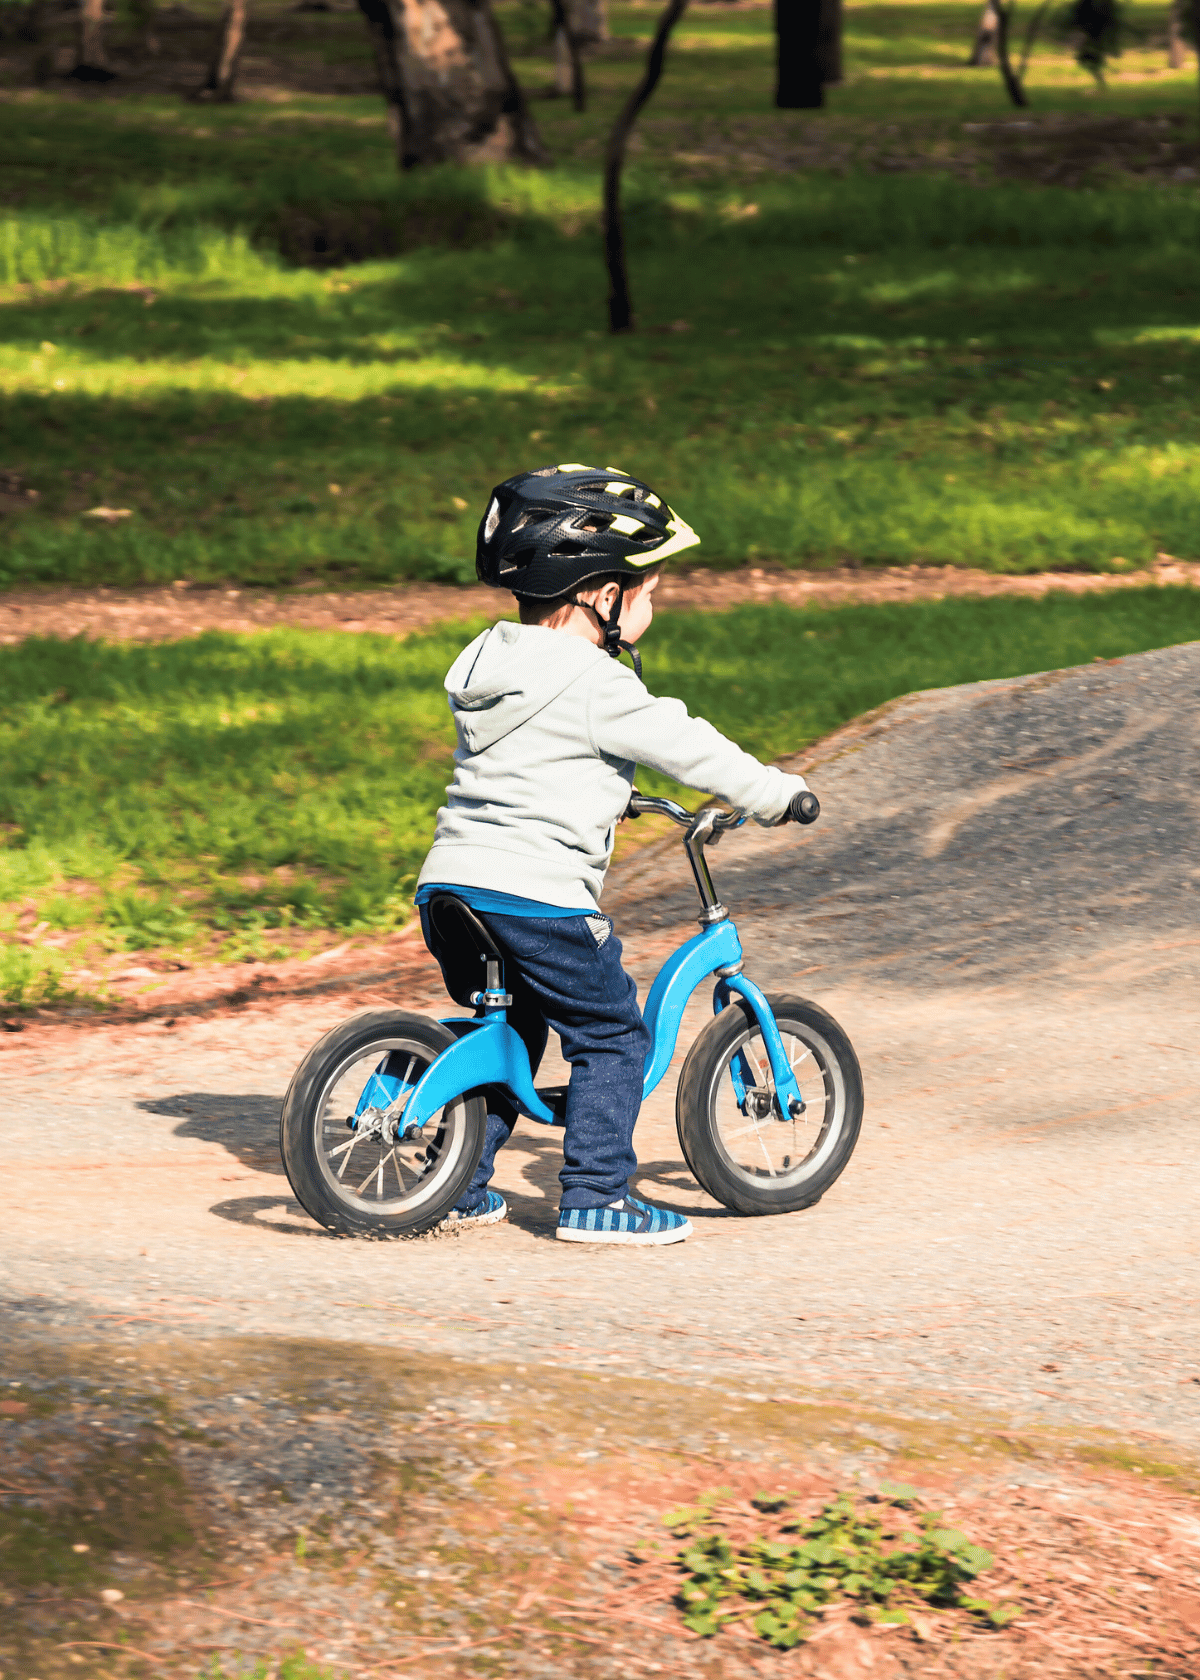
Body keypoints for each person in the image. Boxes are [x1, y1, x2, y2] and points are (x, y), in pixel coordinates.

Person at [415, 463, 810, 1246]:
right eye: (649, 592)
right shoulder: (597, 683)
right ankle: (597, 1193)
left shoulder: (491, 664)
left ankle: (454, 1181)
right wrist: (773, 792)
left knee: (514, 1028)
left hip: (450, 889)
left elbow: (530, 763)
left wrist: (603, 790)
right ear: (603, 596)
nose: (653, 606)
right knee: (612, 1033)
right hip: (536, 897)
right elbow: (692, 749)